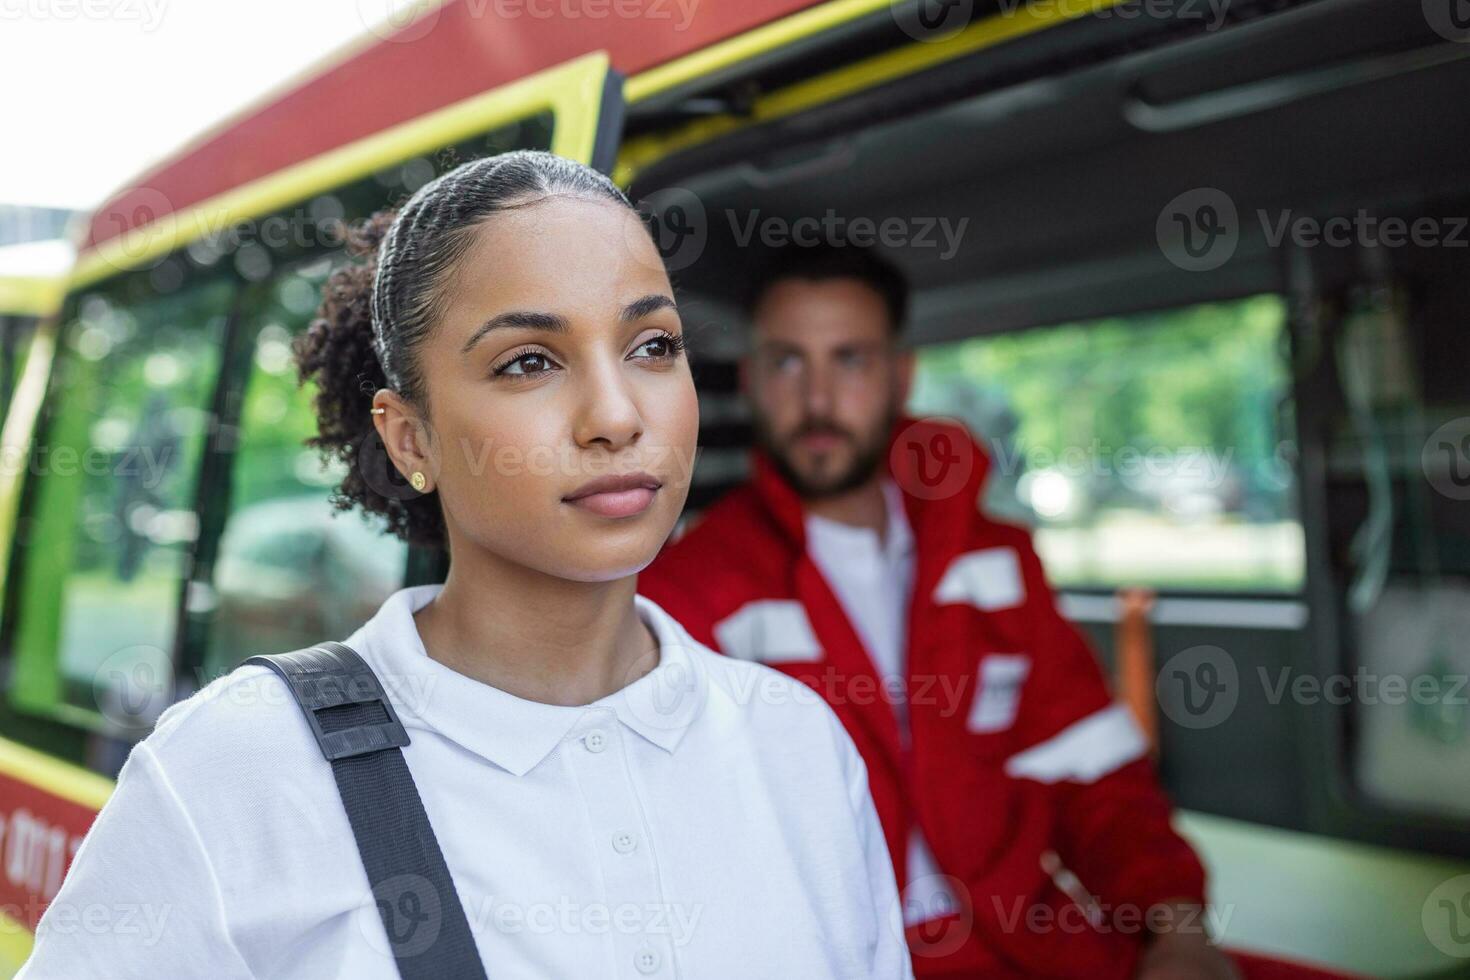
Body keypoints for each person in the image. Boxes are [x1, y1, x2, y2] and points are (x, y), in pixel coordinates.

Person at [17, 153, 912, 979]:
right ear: (411, 437)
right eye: (530, 362)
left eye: (652, 347)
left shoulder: (799, 745)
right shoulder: (234, 769)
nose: (615, 414)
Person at [638, 244, 1238, 979]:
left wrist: (1174, 930)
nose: (818, 400)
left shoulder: (995, 562)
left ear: (901, 375)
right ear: (752, 380)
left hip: (1034, 952)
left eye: (850, 360)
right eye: (788, 362)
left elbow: (1099, 776)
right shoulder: (686, 589)